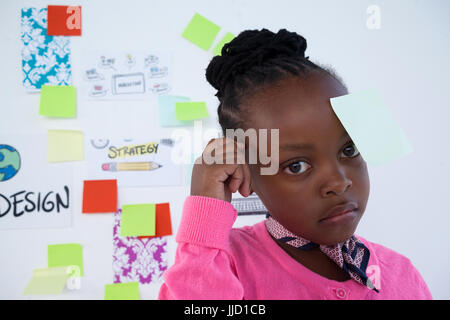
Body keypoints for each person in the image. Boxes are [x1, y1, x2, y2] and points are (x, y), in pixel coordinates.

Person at [158, 28, 432, 299]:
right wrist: (205, 213)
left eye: (349, 149)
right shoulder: (222, 265)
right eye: (296, 166)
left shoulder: (402, 275)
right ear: (245, 175)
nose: (338, 182)